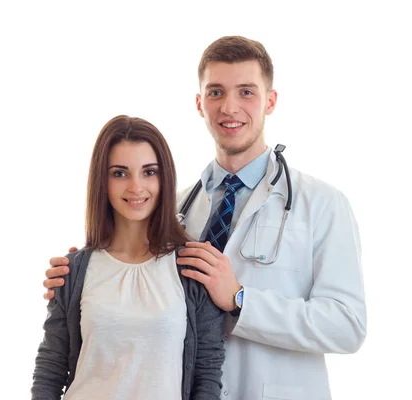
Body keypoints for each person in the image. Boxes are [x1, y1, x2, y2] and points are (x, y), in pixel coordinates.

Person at [42, 36, 367, 399]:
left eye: (246, 92)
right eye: (215, 93)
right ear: (199, 103)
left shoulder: (321, 204)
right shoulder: (173, 209)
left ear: (270, 101)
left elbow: (348, 325)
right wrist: (76, 277)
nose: (230, 107)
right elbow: (122, 280)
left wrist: (241, 299)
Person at [31, 115, 226, 399]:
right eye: (119, 173)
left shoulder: (191, 269)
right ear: (102, 180)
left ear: (165, 177)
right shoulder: (74, 271)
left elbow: (207, 374)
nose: (136, 187)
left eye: (149, 172)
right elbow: (50, 369)